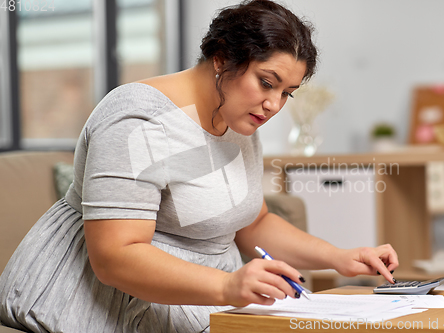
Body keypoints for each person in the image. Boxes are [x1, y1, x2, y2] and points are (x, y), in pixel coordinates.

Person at [0, 0, 398, 332]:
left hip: (198, 300)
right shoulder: (138, 120)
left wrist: (340, 257)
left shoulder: (236, 117)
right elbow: (116, 256)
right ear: (222, 57)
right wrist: (228, 286)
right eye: (266, 82)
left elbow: (253, 223)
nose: (275, 105)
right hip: (97, 304)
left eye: (287, 93)